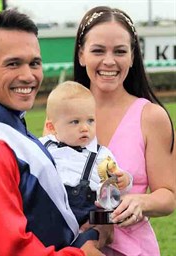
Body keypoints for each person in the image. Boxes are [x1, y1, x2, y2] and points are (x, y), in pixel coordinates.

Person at [0, 9, 106, 256]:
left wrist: (86, 233)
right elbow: (7, 251)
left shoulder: (4, 124)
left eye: (34, 63)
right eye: (13, 63)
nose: (28, 76)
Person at [72, 5, 176, 256]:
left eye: (120, 51)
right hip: (75, 248)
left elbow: (169, 196)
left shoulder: (151, 116)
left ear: (132, 56)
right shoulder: (64, 112)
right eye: (98, 50)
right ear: (82, 55)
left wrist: (141, 201)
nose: (109, 61)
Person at [40, 81, 133, 228]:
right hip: (51, 219)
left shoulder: (101, 154)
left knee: (105, 218)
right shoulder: (42, 147)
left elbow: (113, 183)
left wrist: (124, 180)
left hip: (87, 221)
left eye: (90, 120)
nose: (84, 128)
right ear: (52, 127)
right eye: (75, 122)